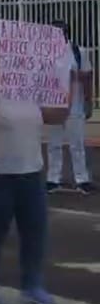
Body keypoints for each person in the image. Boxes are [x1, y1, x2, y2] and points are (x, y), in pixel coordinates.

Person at [0, 49, 68, 304]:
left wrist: (58, 80)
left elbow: (58, 116)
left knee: (34, 233)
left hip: (30, 173)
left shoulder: (32, 93)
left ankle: (32, 287)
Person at [45, 20, 93, 194]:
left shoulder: (79, 52)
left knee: (77, 143)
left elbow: (87, 77)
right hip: (53, 104)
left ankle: (82, 179)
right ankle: (52, 178)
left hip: (75, 105)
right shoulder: (45, 53)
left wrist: (88, 101)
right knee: (54, 144)